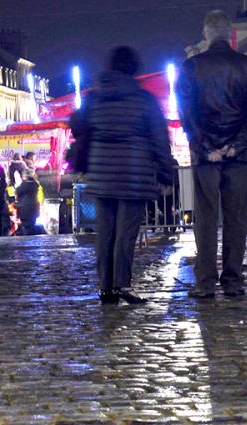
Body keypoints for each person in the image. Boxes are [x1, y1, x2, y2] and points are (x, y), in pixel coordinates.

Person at [177, 10, 247, 298]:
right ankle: (233, 279)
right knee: (236, 217)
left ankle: (206, 282)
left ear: (206, 33)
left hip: (205, 156)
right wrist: (239, 142)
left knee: (206, 218)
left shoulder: (192, 67)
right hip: (239, 153)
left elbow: (187, 113)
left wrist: (206, 146)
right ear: (230, 34)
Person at [70, 46, 175, 304]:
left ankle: (105, 286)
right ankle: (122, 284)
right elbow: (160, 139)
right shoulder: (143, 100)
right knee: (125, 233)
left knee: (105, 232)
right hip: (134, 173)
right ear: (134, 69)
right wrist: (165, 171)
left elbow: (77, 124)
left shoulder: (94, 98)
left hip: (101, 173)